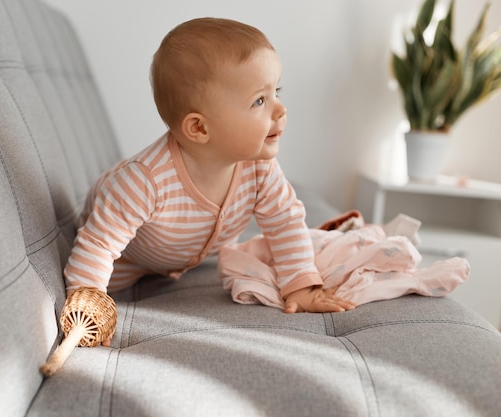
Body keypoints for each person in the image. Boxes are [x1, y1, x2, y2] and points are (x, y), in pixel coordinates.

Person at [63, 17, 356, 345]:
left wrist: (301, 285)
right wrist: (87, 308)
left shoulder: (258, 168)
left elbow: (285, 221)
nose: (280, 109)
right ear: (200, 129)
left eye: (277, 92)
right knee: (103, 264)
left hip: (182, 256)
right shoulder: (142, 182)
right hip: (127, 261)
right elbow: (98, 245)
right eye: (260, 101)